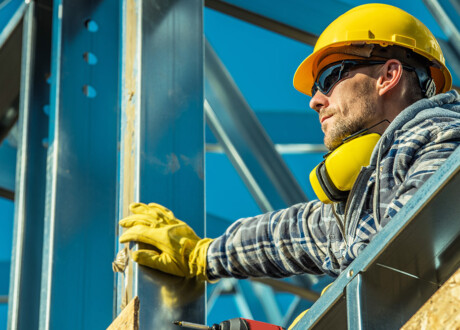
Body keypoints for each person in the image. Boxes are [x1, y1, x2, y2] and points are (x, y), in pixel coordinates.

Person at [118, 2, 460, 300]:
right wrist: (200, 254)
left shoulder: (445, 137)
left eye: (329, 78)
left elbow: (406, 244)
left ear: (388, 75)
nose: (315, 101)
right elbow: (288, 234)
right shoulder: (360, 204)